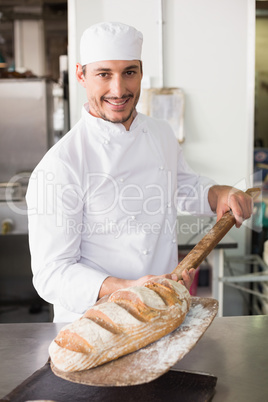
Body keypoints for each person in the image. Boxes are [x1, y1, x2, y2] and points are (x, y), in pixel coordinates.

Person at [26, 22, 253, 322]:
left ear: (141, 72)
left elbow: (183, 186)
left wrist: (219, 193)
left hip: (161, 316)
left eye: (129, 72)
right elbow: (52, 273)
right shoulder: (62, 164)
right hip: (94, 326)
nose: (118, 90)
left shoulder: (159, 133)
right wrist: (130, 289)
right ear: (81, 75)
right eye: (104, 74)